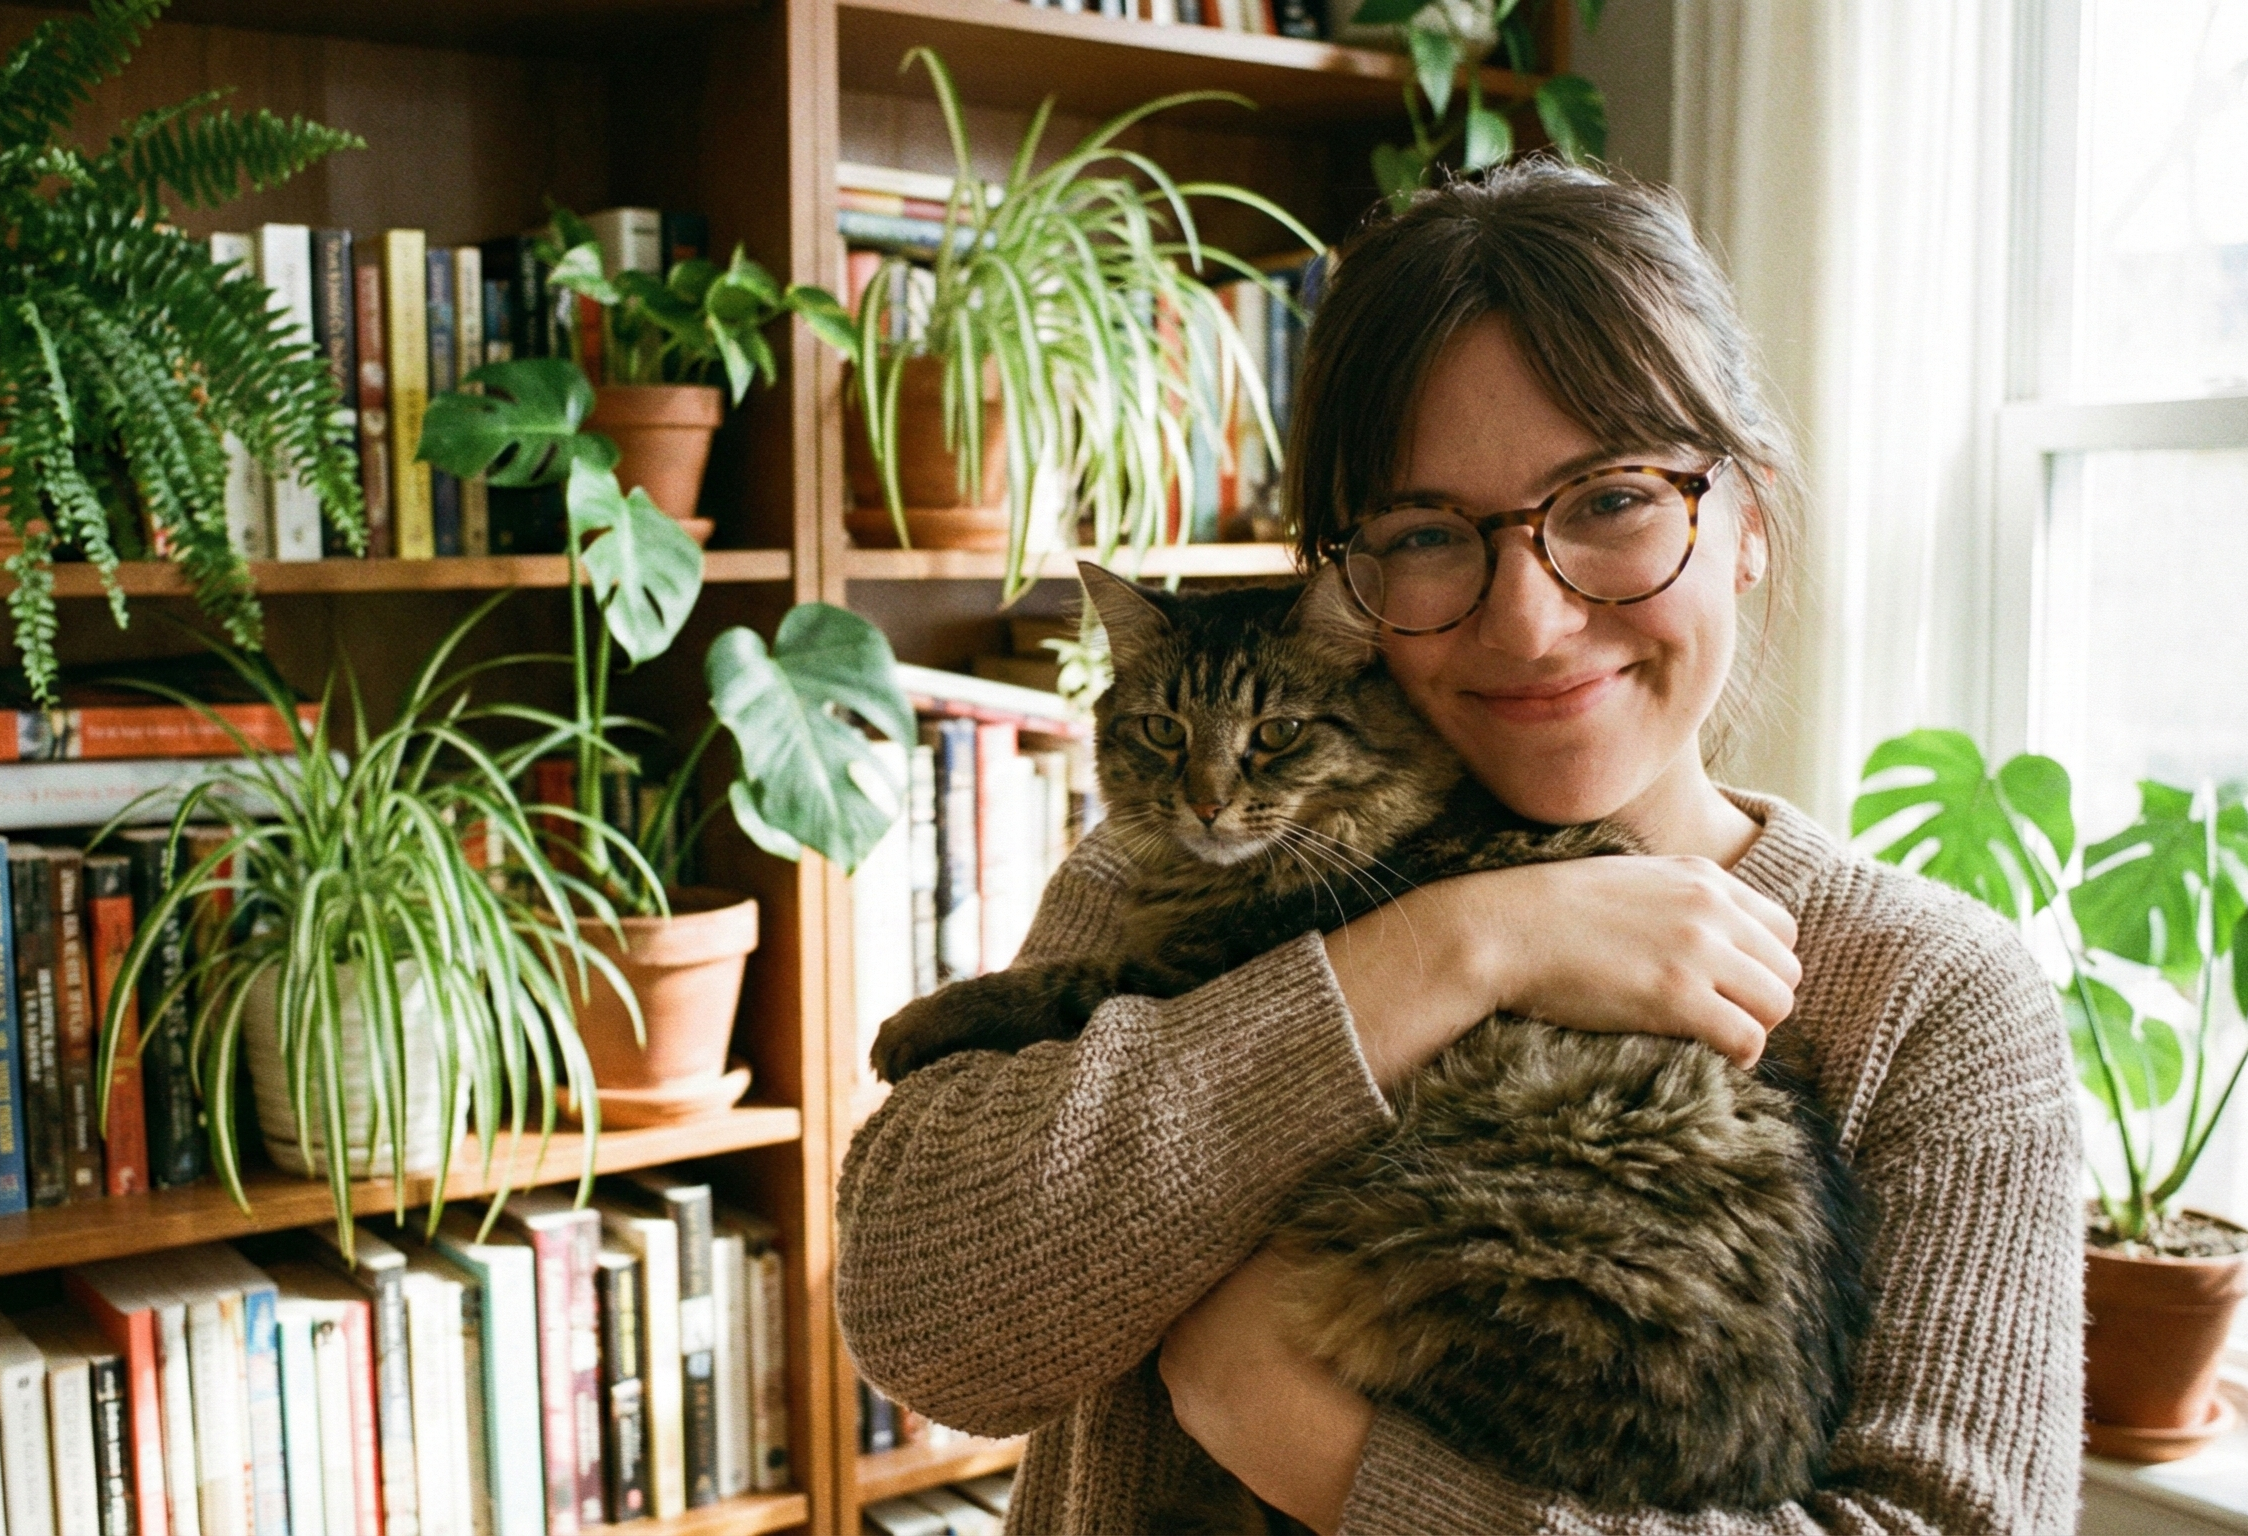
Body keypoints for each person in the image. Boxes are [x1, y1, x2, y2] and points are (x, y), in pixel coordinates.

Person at [836, 161, 2083, 1534]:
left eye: (1612, 500)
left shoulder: (1936, 1004)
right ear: (1351, 588)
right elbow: (927, 1325)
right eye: (1430, 533)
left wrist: (1333, 1456)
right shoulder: (1179, 865)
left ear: (1747, 525)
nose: (1532, 621)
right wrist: (1454, 947)